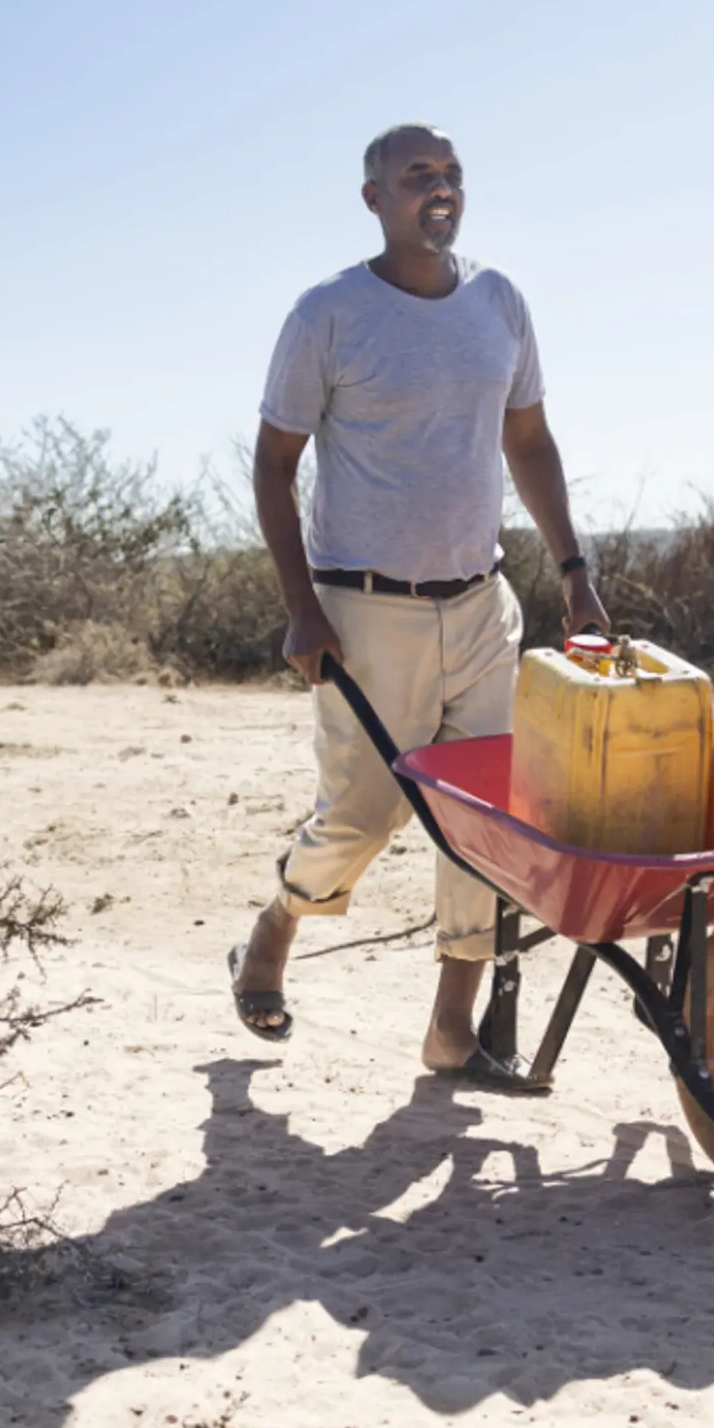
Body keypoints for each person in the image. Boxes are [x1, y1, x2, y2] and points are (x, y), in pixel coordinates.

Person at [229, 122, 608, 1091]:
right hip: (365, 615)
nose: (438, 189)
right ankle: (276, 924)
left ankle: (451, 1030)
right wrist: (300, 607)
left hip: (481, 605)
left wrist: (571, 567)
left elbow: (529, 442)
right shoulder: (329, 314)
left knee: (489, 820)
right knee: (360, 820)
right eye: (415, 176)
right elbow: (275, 467)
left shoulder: (497, 304)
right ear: (373, 199)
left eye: (450, 174)